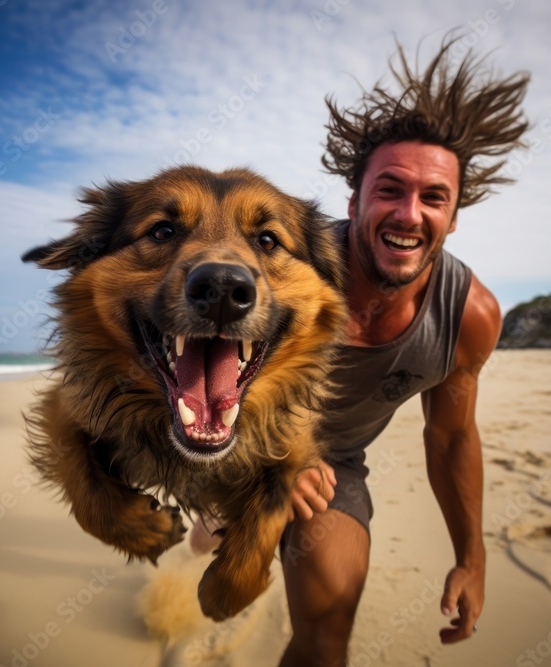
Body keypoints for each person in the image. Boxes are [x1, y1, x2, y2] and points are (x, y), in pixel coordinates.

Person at [194, 35, 530, 666]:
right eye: (390, 190)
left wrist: (472, 560)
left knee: (328, 631)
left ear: (453, 216)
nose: (409, 213)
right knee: (216, 535)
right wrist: (269, 459)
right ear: (353, 201)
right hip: (234, 434)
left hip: (336, 464)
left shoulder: (469, 317)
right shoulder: (286, 265)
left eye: (433, 197)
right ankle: (213, 518)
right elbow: (192, 363)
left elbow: (452, 438)